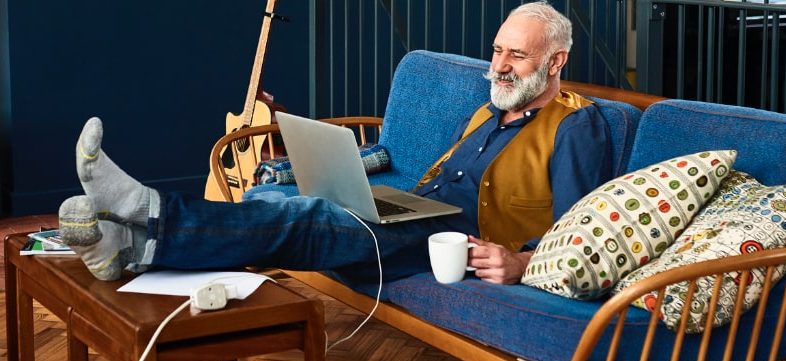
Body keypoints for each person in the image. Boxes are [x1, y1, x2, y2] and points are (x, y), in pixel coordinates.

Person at [59, 1, 612, 286]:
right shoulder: (490, 109)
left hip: (458, 243)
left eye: (515, 55)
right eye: (497, 51)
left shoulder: (576, 126)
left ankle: (144, 213)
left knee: (308, 219)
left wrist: (519, 262)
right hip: (415, 216)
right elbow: (426, 176)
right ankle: (127, 250)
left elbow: (580, 224)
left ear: (556, 61)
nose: (499, 66)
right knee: (273, 200)